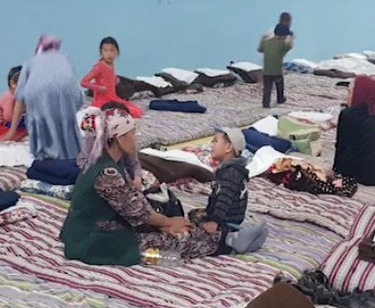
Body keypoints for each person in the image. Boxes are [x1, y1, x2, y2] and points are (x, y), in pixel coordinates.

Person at [60, 109, 268, 266]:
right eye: (132, 133)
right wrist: (167, 223)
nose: (135, 138)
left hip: (98, 230)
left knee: (170, 224)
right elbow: (137, 212)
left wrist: (163, 223)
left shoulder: (105, 163)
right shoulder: (108, 173)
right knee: (174, 240)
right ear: (119, 139)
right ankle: (227, 243)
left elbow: (133, 205)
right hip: (94, 242)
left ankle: (224, 239)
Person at [3, 35, 84, 160]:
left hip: (39, 96)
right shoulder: (63, 59)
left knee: (42, 121)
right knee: (64, 123)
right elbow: (75, 92)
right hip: (65, 95)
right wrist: (72, 109)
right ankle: (68, 155)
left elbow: (21, 98)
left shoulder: (31, 62)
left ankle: (44, 155)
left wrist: (12, 131)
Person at [187, 127, 249, 234]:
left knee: (202, 231)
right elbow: (216, 195)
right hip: (222, 216)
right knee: (193, 214)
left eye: (215, 141)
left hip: (228, 221)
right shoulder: (226, 169)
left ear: (228, 148)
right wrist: (208, 212)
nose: (211, 145)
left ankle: (230, 236)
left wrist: (214, 221)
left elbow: (224, 199)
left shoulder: (231, 173)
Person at [333, 76, 375, 187]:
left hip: (356, 174)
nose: (347, 97)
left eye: (350, 93)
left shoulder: (348, 114)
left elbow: (341, 146)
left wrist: (336, 169)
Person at [76, 101, 143, 188]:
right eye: (132, 133)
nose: (134, 138)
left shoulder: (122, 147)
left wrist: (137, 178)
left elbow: (134, 163)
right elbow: (84, 163)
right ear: (119, 137)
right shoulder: (104, 168)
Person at [80, 37, 143, 118]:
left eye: (112, 50)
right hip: (102, 100)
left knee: (136, 110)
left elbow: (107, 76)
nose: (109, 54)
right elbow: (83, 82)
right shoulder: (98, 67)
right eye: (105, 50)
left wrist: (115, 78)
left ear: (117, 52)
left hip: (112, 97)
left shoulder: (111, 64)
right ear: (101, 52)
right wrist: (99, 88)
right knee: (128, 112)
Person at [258, 24, 292, 108]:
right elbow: (289, 47)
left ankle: (265, 104)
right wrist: (290, 38)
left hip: (266, 71)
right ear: (284, 35)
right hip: (277, 71)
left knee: (267, 89)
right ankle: (280, 99)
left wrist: (263, 39)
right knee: (279, 86)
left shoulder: (266, 42)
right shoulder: (282, 44)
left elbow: (260, 49)